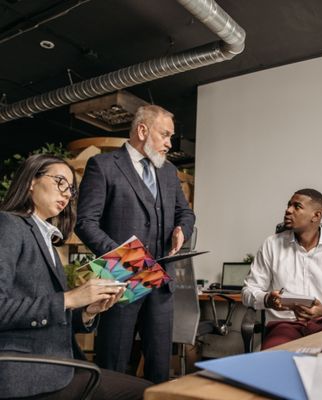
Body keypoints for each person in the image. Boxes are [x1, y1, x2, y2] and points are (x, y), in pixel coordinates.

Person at [0, 154, 151, 399]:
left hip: (58, 366)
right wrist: (69, 299)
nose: (68, 194)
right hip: (25, 373)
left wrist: (88, 310)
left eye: (71, 189)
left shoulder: (46, 238)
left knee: (149, 389)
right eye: (60, 182)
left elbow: (55, 319)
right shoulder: (8, 225)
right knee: (148, 392)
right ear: (31, 181)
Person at [75, 104, 195, 383]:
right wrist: (127, 259)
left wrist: (182, 230)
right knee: (113, 360)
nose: (169, 143)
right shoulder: (103, 166)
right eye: (165, 135)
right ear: (142, 130)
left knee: (159, 365)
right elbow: (85, 223)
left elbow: (185, 213)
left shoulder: (168, 172)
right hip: (120, 277)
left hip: (161, 281)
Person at [241, 188, 322, 349]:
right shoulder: (271, 244)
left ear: (316, 215)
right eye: (288, 205)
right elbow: (248, 292)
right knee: (273, 361)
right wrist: (267, 299)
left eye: (297, 206)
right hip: (285, 326)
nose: (288, 210)